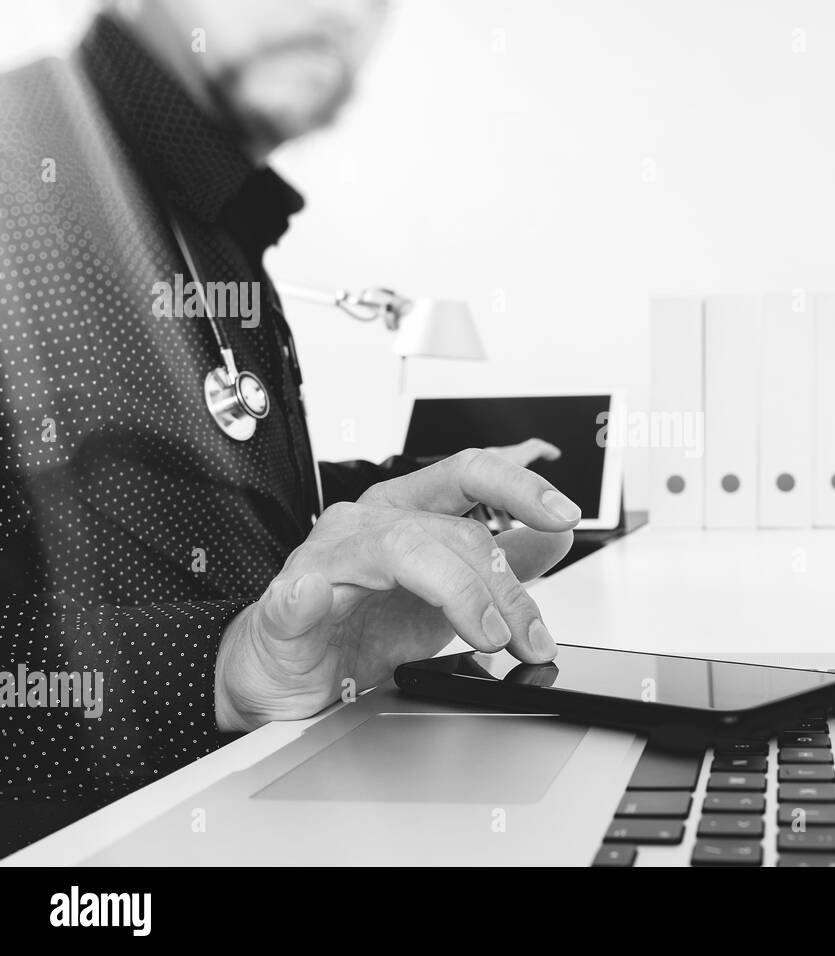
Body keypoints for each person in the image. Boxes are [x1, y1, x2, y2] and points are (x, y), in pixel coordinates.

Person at [0, 0, 577, 854]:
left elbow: (189, 496)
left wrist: (394, 504)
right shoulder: (21, 168)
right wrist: (221, 668)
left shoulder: (213, 222)